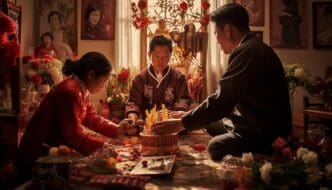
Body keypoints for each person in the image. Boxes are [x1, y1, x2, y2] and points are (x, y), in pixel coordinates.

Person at [152, 3, 292, 162]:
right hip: (253, 121)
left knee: (215, 147)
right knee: (211, 124)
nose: (217, 41)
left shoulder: (248, 51)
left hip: (266, 134)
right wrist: (187, 115)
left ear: (227, 30)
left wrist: (180, 123)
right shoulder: (252, 46)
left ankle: (266, 158)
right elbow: (226, 99)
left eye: (216, 34)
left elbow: (223, 100)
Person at [16, 52, 134, 183]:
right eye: (104, 81)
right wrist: (106, 146)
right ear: (91, 75)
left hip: (53, 151)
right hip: (39, 154)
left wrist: (116, 129)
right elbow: (74, 137)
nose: (104, 86)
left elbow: (90, 117)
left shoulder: (80, 88)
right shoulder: (70, 92)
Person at [125, 35, 192, 123]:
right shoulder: (140, 78)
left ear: (170, 55)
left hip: (171, 122)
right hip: (147, 123)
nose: (161, 61)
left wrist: (174, 115)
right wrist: (133, 119)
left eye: (165, 57)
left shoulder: (178, 77)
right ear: (149, 55)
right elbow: (133, 103)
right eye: (157, 56)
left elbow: (183, 100)